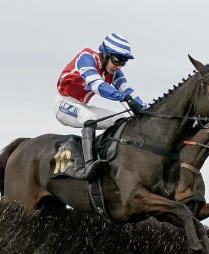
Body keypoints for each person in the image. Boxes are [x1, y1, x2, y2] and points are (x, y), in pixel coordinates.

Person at [55, 33, 147, 179]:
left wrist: (145, 108)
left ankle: (109, 154)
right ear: (105, 55)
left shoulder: (115, 72)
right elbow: (96, 84)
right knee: (89, 117)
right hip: (64, 104)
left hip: (83, 105)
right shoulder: (86, 58)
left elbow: (127, 89)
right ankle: (88, 164)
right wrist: (123, 97)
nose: (118, 66)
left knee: (121, 119)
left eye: (123, 63)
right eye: (116, 60)